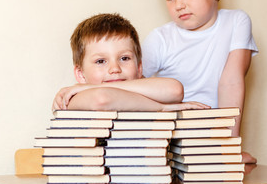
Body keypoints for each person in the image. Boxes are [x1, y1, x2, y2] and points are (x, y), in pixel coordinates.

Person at [141, 0, 258, 163]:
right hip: (168, 141)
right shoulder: (160, 39)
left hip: (213, 137)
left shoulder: (236, 22)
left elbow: (231, 82)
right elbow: (135, 89)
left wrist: (229, 146)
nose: (179, 5)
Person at [52, 13, 209, 112]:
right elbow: (102, 99)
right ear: (81, 75)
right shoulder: (70, 98)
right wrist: (162, 107)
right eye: (100, 61)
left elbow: (174, 90)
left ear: (139, 67)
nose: (115, 69)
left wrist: (95, 85)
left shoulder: (84, 89)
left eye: (124, 58)